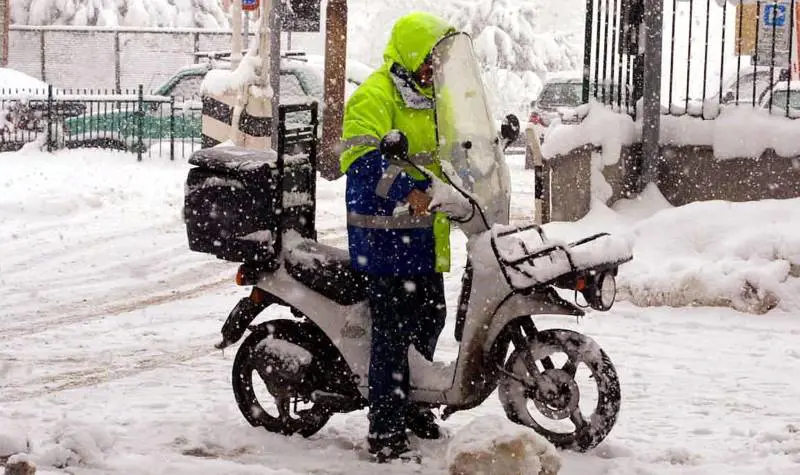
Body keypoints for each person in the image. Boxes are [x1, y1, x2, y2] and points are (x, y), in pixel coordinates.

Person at [338, 11, 457, 462]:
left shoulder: (433, 99)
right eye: (428, 60)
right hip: (385, 240)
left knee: (431, 318)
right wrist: (408, 190)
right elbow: (360, 160)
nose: (432, 69)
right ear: (410, 54)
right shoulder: (375, 95)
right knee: (391, 334)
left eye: (437, 61)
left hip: (422, 237)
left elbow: (450, 152)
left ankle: (413, 405)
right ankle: (385, 431)